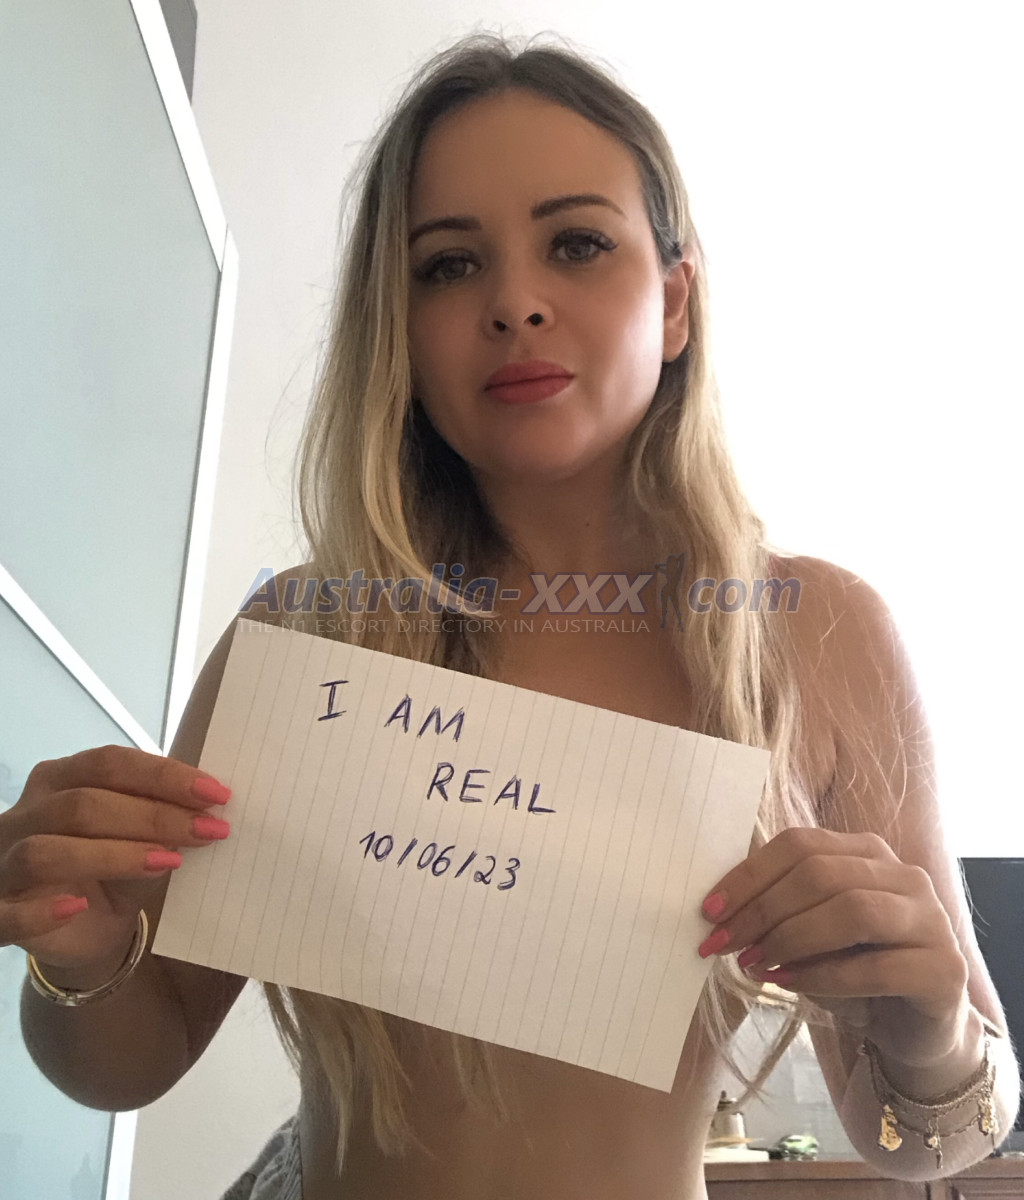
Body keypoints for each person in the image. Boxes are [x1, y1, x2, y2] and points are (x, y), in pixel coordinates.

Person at [5, 30, 1021, 1200]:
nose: (515, 304)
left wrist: (933, 1024)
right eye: (447, 264)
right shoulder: (309, 635)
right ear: (398, 327)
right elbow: (129, 1061)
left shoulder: (817, 635)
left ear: (675, 301)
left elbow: (935, 1138)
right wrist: (75, 945)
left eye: (576, 244)